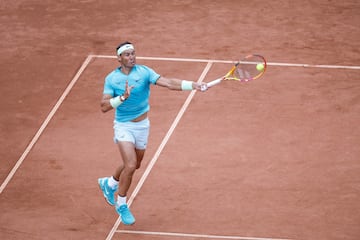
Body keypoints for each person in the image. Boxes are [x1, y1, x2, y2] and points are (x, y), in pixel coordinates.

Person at [98, 41, 208, 225]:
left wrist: (193, 85)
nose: (132, 57)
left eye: (133, 53)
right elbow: (103, 106)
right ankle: (122, 203)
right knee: (131, 165)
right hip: (123, 126)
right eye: (127, 54)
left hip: (142, 126)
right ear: (119, 58)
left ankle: (109, 184)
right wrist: (122, 98)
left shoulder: (144, 72)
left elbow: (168, 83)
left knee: (135, 164)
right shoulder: (112, 79)